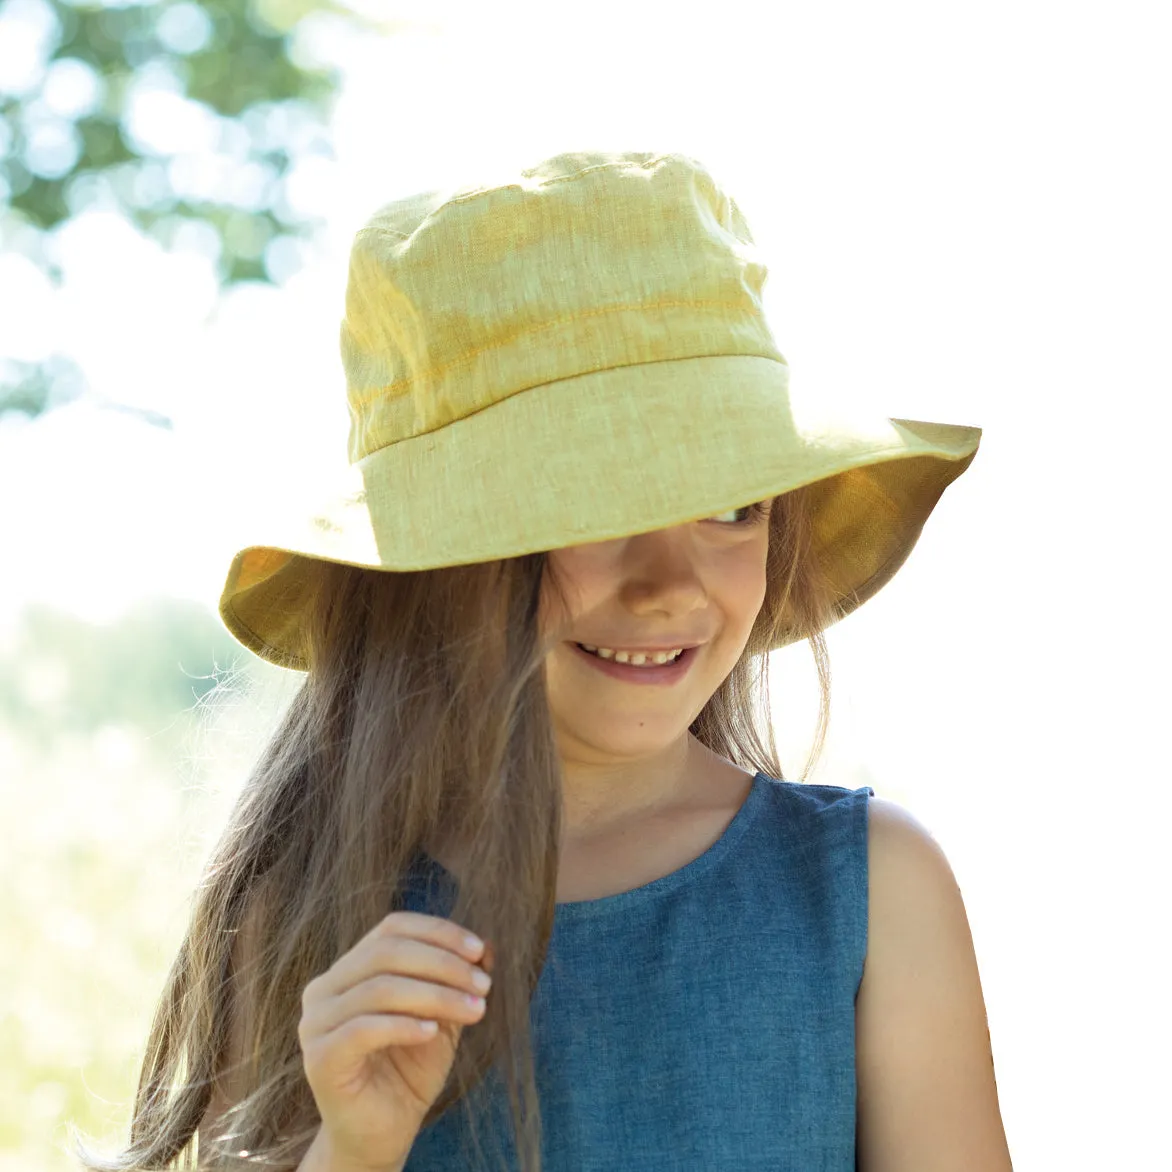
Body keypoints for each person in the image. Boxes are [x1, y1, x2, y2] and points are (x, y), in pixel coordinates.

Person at [75, 149, 1012, 1172]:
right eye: (593, 506)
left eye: (730, 503)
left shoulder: (872, 892)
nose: (668, 581)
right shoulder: (308, 913)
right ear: (441, 558)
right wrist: (352, 1148)